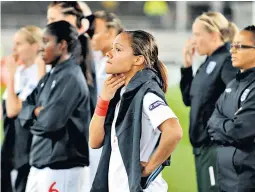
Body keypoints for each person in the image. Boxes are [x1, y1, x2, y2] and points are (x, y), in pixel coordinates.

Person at [89, 30, 183, 192]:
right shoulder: (123, 95)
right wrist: (103, 100)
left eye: (118, 49)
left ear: (138, 59)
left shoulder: (146, 93)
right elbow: (95, 141)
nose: (109, 54)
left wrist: (148, 170)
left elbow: (174, 131)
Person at [11, 21, 90, 192]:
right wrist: (35, 112)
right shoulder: (51, 75)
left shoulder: (70, 77)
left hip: (62, 168)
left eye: (46, 41)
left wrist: (34, 114)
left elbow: (50, 123)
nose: (41, 47)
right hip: (41, 164)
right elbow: (24, 108)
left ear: (62, 45)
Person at [180, 11, 239, 192]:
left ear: (213, 35)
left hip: (215, 148)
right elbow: (189, 99)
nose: (193, 40)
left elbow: (239, 100)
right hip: (202, 148)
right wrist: (187, 67)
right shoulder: (209, 62)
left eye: (197, 34)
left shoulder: (227, 59)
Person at [207, 25, 255, 192]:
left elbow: (239, 131)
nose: (232, 50)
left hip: (251, 181)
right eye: (232, 45)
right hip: (225, 180)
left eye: (239, 46)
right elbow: (211, 123)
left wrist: (222, 125)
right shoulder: (233, 84)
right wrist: (225, 124)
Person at [1, 25, 45, 192]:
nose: (14, 49)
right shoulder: (21, 71)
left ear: (34, 46)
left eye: (19, 43)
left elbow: (13, 110)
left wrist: (10, 76)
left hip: (26, 145)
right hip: (11, 140)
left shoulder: (38, 73)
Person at [87, 10, 124, 189]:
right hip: (98, 128)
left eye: (95, 31)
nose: (91, 36)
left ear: (110, 32)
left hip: (109, 134)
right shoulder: (103, 60)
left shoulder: (121, 62)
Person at [47, 1, 97, 113]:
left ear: (70, 19)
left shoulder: (76, 49)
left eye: (52, 19)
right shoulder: (77, 45)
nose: (49, 24)